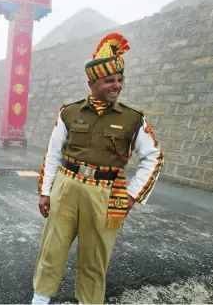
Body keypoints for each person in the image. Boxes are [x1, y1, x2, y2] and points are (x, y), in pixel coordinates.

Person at [31, 33, 164, 304]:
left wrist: (131, 195)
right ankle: (39, 300)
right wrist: (46, 192)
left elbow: (154, 156)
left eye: (120, 80)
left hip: (106, 193)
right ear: (92, 83)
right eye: (109, 81)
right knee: (51, 250)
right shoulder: (69, 112)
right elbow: (54, 153)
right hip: (66, 187)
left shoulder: (132, 118)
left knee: (94, 258)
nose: (117, 86)